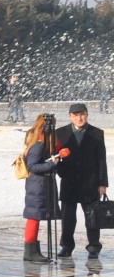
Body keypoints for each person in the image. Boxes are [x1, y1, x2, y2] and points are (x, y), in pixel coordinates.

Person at [54, 103, 108, 260]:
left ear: (87, 114)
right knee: (68, 217)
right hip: (69, 182)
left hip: (90, 182)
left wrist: (102, 183)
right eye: (76, 115)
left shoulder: (97, 133)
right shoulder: (60, 133)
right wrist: (61, 172)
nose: (79, 118)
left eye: (82, 114)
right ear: (70, 116)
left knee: (92, 217)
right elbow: (55, 157)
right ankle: (66, 246)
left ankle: (93, 247)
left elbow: (101, 160)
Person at [21, 114, 62, 263]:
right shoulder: (37, 145)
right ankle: (30, 251)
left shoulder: (43, 143)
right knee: (34, 217)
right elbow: (32, 166)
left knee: (35, 217)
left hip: (41, 185)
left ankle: (33, 250)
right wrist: (52, 164)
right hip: (37, 187)